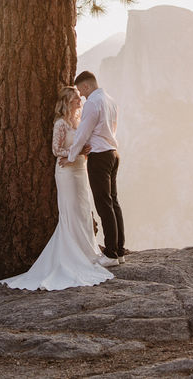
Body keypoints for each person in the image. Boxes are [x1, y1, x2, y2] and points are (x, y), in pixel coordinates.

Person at [1, 86, 114, 290]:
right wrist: (77, 151)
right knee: (70, 211)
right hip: (66, 173)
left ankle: (88, 251)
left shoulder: (78, 122)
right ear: (67, 102)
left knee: (83, 210)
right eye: (75, 99)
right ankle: (72, 255)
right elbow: (56, 150)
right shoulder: (60, 124)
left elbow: (82, 146)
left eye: (79, 98)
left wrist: (84, 151)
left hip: (80, 171)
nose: (80, 101)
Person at [67, 71, 125, 266]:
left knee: (104, 204)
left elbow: (84, 132)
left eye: (81, 92)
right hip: (113, 153)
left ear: (86, 86)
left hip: (99, 156)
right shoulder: (110, 100)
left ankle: (110, 254)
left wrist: (71, 155)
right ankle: (119, 250)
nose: (81, 97)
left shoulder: (93, 102)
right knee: (113, 202)